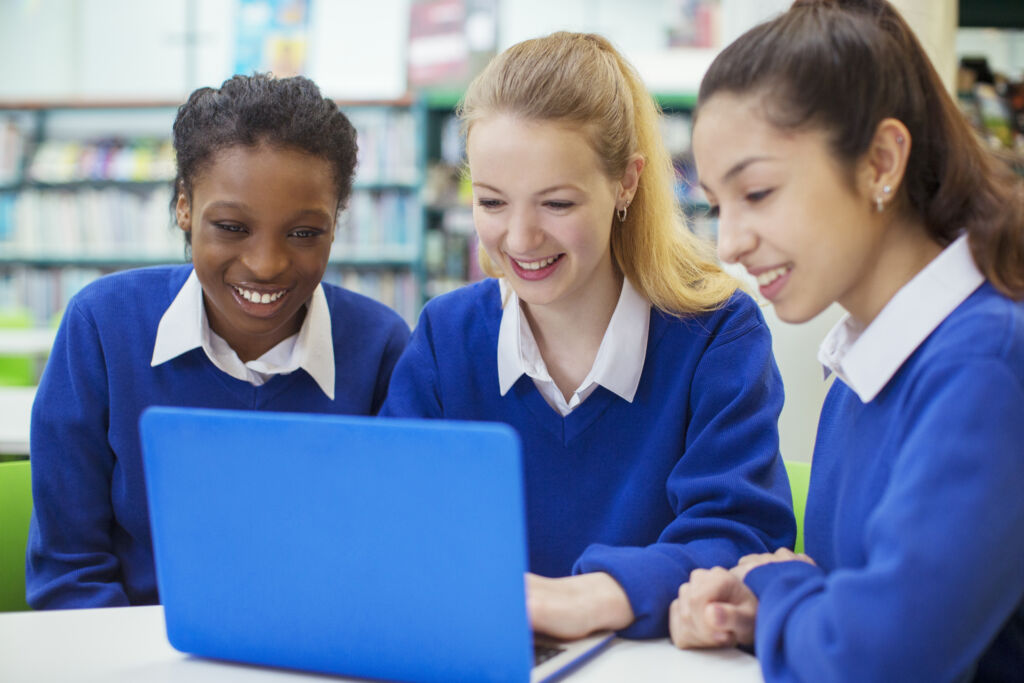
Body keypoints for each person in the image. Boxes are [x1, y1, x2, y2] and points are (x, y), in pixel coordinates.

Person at [381, 32, 795, 640]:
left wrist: (593, 598)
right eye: (492, 202)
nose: (519, 239)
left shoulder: (716, 334)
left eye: (556, 203)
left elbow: (739, 536)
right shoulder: (447, 336)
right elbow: (389, 521)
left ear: (626, 183)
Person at [668, 1, 1024, 680]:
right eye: (719, 205)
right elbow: (845, 603)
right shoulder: (860, 368)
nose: (730, 244)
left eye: (760, 192)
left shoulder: (986, 362)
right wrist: (759, 610)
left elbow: (872, 656)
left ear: (882, 160)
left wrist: (776, 589)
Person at [26, 74, 410, 609]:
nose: (266, 264)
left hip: (317, 650)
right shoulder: (102, 327)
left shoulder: (382, 347)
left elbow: (395, 556)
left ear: (336, 222)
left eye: (303, 233)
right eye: (231, 226)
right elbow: (70, 574)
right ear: (184, 206)